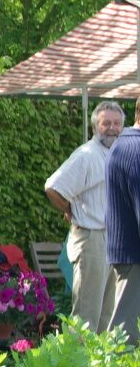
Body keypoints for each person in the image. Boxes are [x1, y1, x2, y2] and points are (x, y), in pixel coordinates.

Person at [44, 101, 123, 332]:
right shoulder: (86, 154)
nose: (112, 128)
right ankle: (78, 366)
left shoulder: (115, 153)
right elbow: (53, 187)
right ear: (94, 127)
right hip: (91, 239)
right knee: (87, 314)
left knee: (108, 314)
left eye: (117, 123)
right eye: (105, 123)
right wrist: (69, 210)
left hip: (112, 238)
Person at [106, 99, 140, 344]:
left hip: (128, 253)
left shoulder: (124, 143)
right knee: (125, 339)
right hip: (134, 256)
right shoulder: (136, 148)